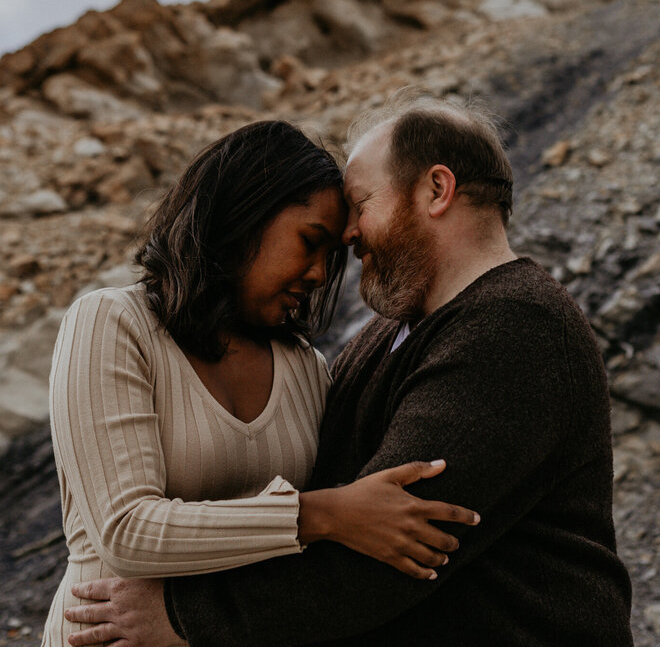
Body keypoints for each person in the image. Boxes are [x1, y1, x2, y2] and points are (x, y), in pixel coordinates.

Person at [63, 90, 634, 646]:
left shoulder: (515, 324)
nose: (350, 235)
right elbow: (349, 517)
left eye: (361, 206)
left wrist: (183, 616)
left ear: (436, 189)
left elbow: (390, 550)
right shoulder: (382, 338)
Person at [41, 119, 479, 647]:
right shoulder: (111, 323)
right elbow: (126, 533)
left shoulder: (305, 369)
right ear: (242, 215)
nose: (319, 275)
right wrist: (325, 515)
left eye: (331, 258)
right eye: (309, 241)